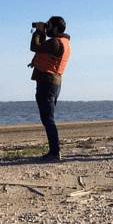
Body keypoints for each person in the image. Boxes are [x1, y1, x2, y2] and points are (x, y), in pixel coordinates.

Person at [29, 16, 71, 161]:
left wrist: (38, 33)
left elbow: (35, 47)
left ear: (54, 28)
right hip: (54, 83)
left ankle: (55, 152)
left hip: (48, 83)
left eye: (49, 25)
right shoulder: (63, 42)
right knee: (47, 118)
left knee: (48, 119)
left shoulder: (54, 43)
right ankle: (54, 151)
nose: (47, 27)